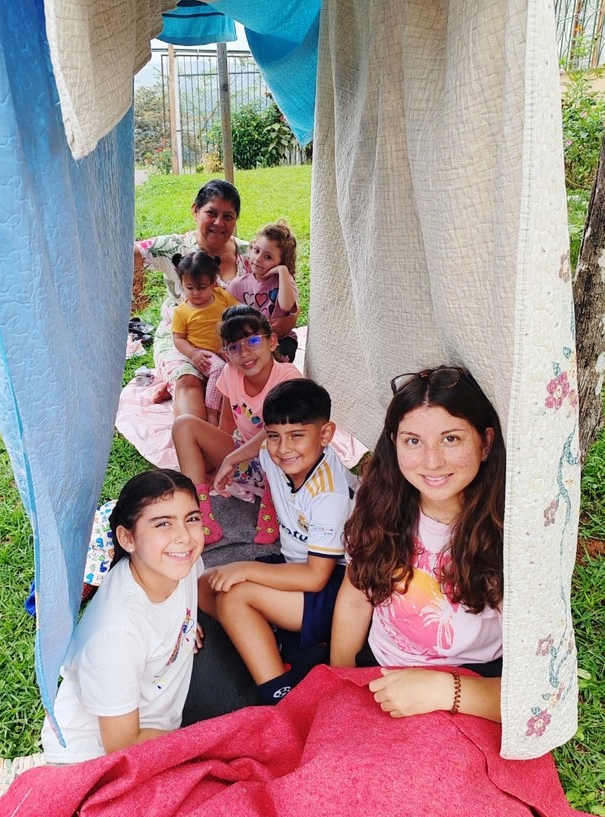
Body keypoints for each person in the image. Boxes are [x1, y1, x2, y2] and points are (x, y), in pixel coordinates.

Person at [330, 366, 505, 722]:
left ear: (485, 442)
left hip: (471, 685)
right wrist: (340, 679)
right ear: (393, 442)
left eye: (450, 439)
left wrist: (443, 691)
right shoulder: (378, 499)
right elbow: (357, 591)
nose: (431, 462)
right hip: (379, 670)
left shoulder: (509, 532)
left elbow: (536, 698)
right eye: (413, 441)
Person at [200, 379, 357, 705]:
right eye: (275, 436)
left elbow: (316, 578)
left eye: (297, 435)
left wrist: (245, 569)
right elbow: (263, 440)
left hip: (333, 586)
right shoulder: (273, 453)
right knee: (203, 584)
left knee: (235, 596)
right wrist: (232, 458)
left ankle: (278, 695)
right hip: (292, 565)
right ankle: (268, 633)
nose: (284, 448)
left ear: (326, 434)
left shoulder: (329, 493)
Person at [40, 469, 205, 764]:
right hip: (89, 759)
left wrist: (186, 623)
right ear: (128, 538)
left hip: (152, 723)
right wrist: (203, 745)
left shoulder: (179, 562)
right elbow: (122, 745)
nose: (184, 537)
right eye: (163, 524)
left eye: (191, 519)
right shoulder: (117, 636)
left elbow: (191, 593)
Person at [134, 181, 294, 419]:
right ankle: (181, 391)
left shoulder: (253, 255)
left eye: (228, 216)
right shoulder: (174, 248)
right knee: (189, 386)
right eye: (211, 213)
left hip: (233, 344)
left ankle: (180, 389)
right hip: (184, 340)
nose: (219, 223)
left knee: (252, 395)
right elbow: (124, 255)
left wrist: (282, 323)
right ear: (195, 210)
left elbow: (286, 305)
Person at [172, 305, 302, 546]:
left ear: (272, 341)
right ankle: (201, 516)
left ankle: (273, 507)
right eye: (234, 347)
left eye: (253, 340)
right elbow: (226, 424)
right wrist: (218, 462)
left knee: (277, 440)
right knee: (183, 425)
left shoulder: (288, 378)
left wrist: (231, 460)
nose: (244, 353)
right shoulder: (230, 373)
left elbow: (274, 431)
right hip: (248, 460)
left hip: (286, 463)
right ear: (226, 354)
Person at [171, 251, 239, 424]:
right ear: (182, 283)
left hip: (225, 347)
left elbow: (238, 312)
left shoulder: (222, 296)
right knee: (219, 369)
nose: (196, 293)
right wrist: (193, 353)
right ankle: (211, 413)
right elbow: (178, 339)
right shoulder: (181, 312)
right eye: (189, 288)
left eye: (202, 287)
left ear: (213, 282)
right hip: (202, 353)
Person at [227, 220, 300, 362]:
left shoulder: (284, 280)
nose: (258, 259)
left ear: (281, 262)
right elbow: (227, 318)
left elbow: (286, 306)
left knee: (278, 358)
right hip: (249, 343)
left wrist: (283, 271)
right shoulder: (237, 285)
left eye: (268, 257)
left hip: (280, 339)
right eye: (256, 251)